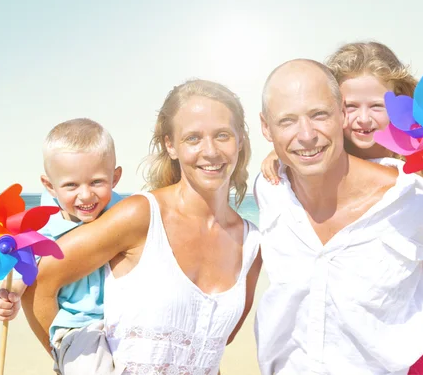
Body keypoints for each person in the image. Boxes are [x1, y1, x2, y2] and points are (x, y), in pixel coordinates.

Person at [260, 42, 423, 374]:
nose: (362, 119)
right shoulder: (314, 150)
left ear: (399, 107)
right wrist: (279, 153)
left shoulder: (412, 158)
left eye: (377, 106)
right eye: (350, 106)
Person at [22, 79, 262, 374]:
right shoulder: (139, 216)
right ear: (170, 145)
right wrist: (72, 359)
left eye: (222, 135)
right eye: (193, 138)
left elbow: (210, 348)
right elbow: (37, 283)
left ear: (240, 139)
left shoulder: (252, 244)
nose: (210, 151)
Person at [0, 118, 123, 374]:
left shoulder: (124, 214)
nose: (85, 195)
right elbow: (26, 273)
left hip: (126, 318)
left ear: (115, 177)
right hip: (78, 325)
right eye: (71, 185)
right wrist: (10, 296)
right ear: (50, 185)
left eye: (97, 181)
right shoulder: (41, 229)